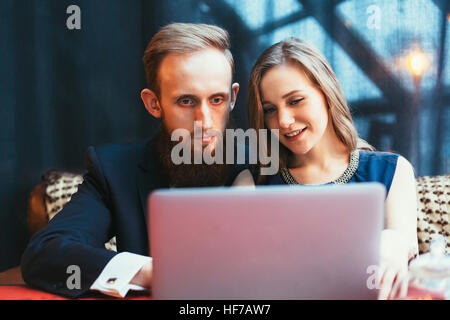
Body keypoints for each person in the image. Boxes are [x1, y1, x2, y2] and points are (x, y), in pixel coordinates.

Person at [20, 23, 249, 298]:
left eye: (217, 100)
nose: (205, 121)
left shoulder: (263, 163)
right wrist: (159, 272)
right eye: (186, 101)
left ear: (233, 97)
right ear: (154, 103)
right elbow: (45, 253)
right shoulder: (115, 170)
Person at [241, 38, 419, 300]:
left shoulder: (393, 171)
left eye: (295, 100)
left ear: (327, 93)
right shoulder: (254, 181)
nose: (283, 121)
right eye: (269, 110)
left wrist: (393, 243)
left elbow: (403, 244)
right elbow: (237, 269)